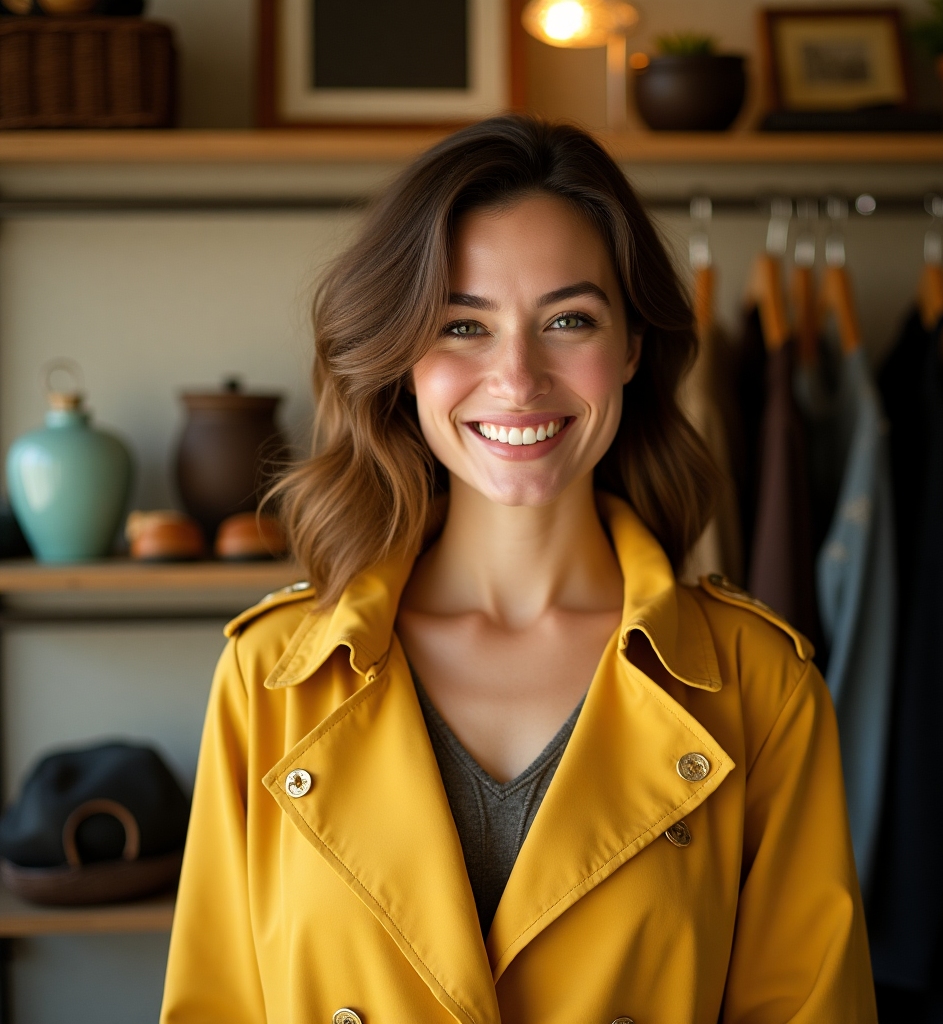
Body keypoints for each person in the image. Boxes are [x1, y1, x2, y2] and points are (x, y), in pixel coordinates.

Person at [160, 116, 875, 1024]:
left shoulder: (759, 686)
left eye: (568, 319)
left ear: (632, 349)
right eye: (463, 325)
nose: (518, 377)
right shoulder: (269, 680)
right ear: (401, 362)